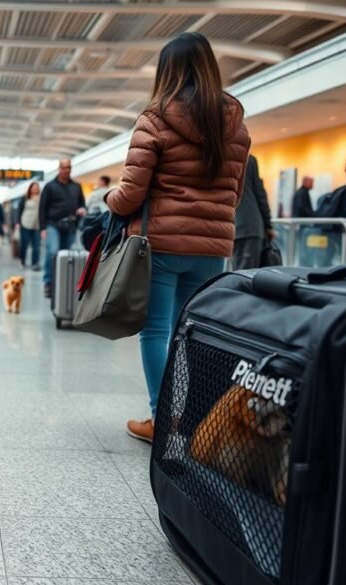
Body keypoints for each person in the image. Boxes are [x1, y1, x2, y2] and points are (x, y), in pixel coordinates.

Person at [104, 32, 251, 443]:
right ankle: (193, 421)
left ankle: (162, 420)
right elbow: (235, 194)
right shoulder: (236, 125)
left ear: (167, 70)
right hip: (211, 248)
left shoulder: (154, 119)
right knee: (193, 333)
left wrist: (108, 199)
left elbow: (130, 195)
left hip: (162, 245)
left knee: (155, 331)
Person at [39, 159, 87, 297]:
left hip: (70, 225)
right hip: (53, 224)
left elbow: (82, 204)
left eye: (69, 167)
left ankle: (61, 281)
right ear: (59, 169)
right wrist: (43, 228)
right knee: (53, 252)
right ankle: (48, 282)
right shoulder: (50, 186)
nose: (67, 170)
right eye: (64, 167)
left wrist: (82, 209)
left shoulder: (76, 186)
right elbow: (42, 207)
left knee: (66, 255)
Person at [232, 154, 275, 270]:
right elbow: (260, 193)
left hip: (234, 226)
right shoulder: (248, 159)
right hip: (250, 226)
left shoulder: (221, 156)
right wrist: (268, 225)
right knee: (247, 273)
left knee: (239, 271)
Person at [18, 181, 42, 269]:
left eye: (37, 187)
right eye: (33, 187)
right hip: (25, 224)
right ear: (30, 189)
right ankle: (22, 261)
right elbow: (20, 210)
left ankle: (35, 263)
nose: (35, 189)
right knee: (24, 244)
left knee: (36, 246)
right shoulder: (25, 198)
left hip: (37, 225)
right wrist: (18, 223)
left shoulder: (42, 198)